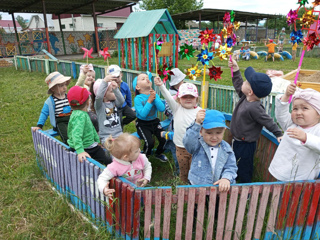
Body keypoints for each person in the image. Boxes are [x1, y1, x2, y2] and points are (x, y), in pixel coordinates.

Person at [228, 59, 283, 183]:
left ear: (250, 91)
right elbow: (238, 84)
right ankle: (235, 183)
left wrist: (278, 133)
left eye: (246, 82)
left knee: (244, 167)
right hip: (237, 141)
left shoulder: (255, 108)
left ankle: (246, 190)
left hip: (246, 144)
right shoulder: (245, 98)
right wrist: (236, 69)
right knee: (234, 163)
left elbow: (267, 120)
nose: (244, 82)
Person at [154, 77, 201, 183]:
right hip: (180, 148)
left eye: (191, 97)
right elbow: (168, 97)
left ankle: (194, 188)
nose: (188, 99)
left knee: (195, 171)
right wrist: (161, 85)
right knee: (183, 171)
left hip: (196, 149)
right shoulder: (176, 108)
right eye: (185, 97)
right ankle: (183, 189)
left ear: (196, 99)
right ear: (179, 99)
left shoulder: (200, 112)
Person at [269, 84, 320, 181]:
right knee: (277, 193)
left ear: (318, 113)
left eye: (305, 108)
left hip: (302, 178)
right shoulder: (291, 124)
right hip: (280, 171)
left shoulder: (317, 129)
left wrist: (306, 138)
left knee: (296, 196)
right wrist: (286, 96)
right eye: (295, 108)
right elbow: (281, 114)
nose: (298, 112)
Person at [183, 110, 237, 190]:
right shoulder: (198, 144)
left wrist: (226, 178)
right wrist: (196, 124)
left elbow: (231, 167)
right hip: (197, 187)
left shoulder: (226, 148)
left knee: (216, 203)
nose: (214, 137)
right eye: (209, 133)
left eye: (218, 133)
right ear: (201, 131)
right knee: (197, 202)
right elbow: (188, 143)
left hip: (218, 188)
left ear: (224, 130)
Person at [97, 133, 152, 198]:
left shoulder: (141, 158)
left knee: (141, 200)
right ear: (126, 157)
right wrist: (104, 189)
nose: (140, 151)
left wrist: (146, 178)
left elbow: (147, 167)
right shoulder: (115, 166)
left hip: (140, 187)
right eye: (136, 151)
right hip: (124, 193)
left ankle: (141, 206)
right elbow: (102, 178)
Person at [67, 86, 112, 165]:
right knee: (108, 161)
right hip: (86, 148)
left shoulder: (79, 113)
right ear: (88, 102)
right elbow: (76, 135)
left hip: (88, 145)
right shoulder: (80, 116)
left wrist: (97, 141)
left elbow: (91, 128)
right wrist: (80, 151)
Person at [133, 72, 168, 162]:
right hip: (142, 123)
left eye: (147, 77)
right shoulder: (138, 99)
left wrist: (155, 98)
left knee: (164, 139)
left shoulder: (154, 95)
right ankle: (145, 158)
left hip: (154, 121)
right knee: (150, 142)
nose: (147, 79)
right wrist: (149, 101)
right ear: (138, 87)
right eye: (143, 79)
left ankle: (158, 153)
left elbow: (162, 109)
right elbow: (142, 114)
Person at [32, 71, 72, 145]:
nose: (64, 87)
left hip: (72, 118)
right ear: (53, 88)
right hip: (60, 121)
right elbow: (44, 113)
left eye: (65, 85)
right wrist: (39, 125)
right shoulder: (50, 101)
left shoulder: (69, 96)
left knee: (78, 130)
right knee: (65, 134)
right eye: (61, 86)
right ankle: (69, 146)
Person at [162, 68, 186, 175]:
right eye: (181, 81)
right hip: (175, 121)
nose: (183, 83)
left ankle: (183, 168)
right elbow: (168, 108)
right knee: (175, 145)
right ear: (175, 83)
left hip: (183, 120)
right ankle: (178, 170)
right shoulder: (171, 93)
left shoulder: (184, 90)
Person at [92, 75, 125, 144]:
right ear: (104, 95)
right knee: (114, 152)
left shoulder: (114, 102)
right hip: (107, 137)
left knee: (127, 149)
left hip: (119, 134)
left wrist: (116, 89)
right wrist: (105, 82)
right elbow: (99, 97)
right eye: (112, 91)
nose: (114, 93)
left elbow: (122, 101)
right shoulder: (99, 106)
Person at [76, 64, 99, 132]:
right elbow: (79, 84)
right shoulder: (81, 88)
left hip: (93, 111)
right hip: (84, 112)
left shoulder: (94, 88)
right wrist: (83, 73)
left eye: (93, 77)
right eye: (88, 76)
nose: (91, 78)